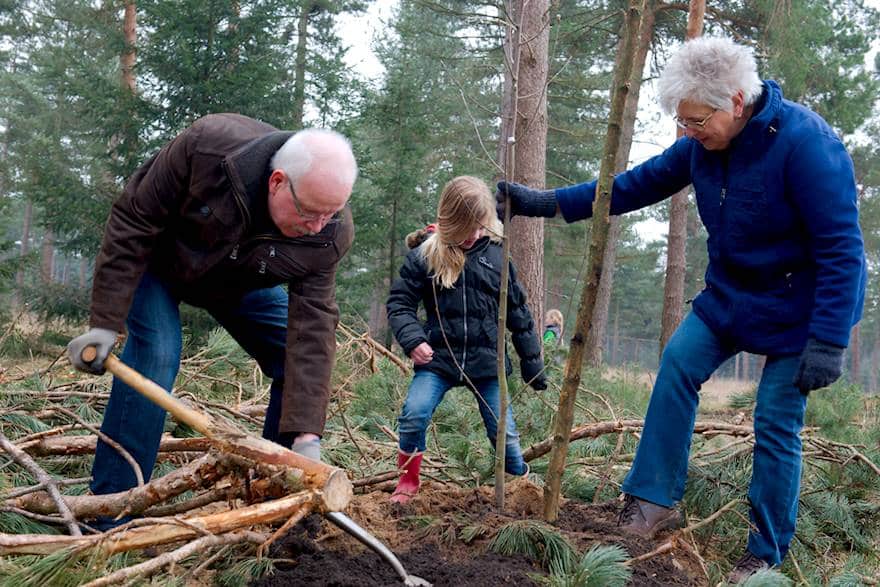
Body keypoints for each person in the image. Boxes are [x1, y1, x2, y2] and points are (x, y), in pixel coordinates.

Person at [497, 37, 865, 583]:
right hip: (731, 296)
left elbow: (843, 248)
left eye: (697, 121)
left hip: (800, 311)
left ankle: (764, 554)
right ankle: (652, 501)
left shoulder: (807, 145)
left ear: (736, 102)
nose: (688, 132)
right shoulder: (701, 146)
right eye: (682, 122)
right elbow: (632, 186)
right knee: (676, 366)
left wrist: (831, 339)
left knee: (775, 421)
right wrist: (546, 203)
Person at [66, 114, 357, 524]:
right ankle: (110, 510)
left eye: (330, 214)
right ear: (277, 182)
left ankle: (273, 504)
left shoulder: (329, 230)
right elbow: (134, 219)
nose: (317, 226)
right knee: (157, 355)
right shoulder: (209, 148)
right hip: (159, 268)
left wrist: (306, 437)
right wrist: (105, 322)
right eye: (310, 213)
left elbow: (312, 329)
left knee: (291, 358)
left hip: (238, 284)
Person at [386, 176, 547, 504]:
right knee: (414, 414)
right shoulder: (425, 256)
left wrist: (533, 366)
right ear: (450, 221)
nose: (474, 236)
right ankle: (407, 482)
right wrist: (413, 338)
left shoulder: (498, 259)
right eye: (466, 228)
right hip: (439, 360)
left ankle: (522, 488)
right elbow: (400, 303)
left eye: (479, 227)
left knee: (505, 435)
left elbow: (520, 316)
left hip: (487, 364)